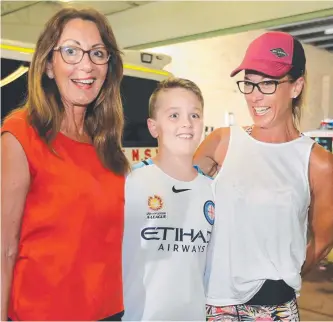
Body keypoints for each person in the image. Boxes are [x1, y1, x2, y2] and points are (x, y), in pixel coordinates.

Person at [194, 31, 333, 321]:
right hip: (212, 302)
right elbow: (183, 205)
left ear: (296, 87)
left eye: (268, 83)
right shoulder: (221, 144)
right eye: (249, 82)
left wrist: (284, 274)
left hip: (274, 308)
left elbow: (322, 241)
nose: (255, 95)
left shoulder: (318, 163)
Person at [1, 7, 129, 321]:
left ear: (108, 66)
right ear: (48, 65)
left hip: (108, 312)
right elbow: (3, 249)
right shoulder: (21, 135)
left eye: (97, 53)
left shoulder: (106, 143)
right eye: (71, 51)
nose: (86, 65)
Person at [122, 78, 215, 321]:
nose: (186, 123)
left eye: (194, 115)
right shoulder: (129, 182)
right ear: (153, 127)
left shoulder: (213, 191)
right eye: (174, 115)